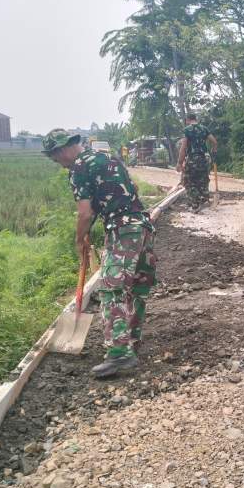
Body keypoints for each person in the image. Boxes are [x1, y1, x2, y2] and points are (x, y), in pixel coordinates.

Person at [42, 129, 156, 378]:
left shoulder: (78, 168)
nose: (57, 162)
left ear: (61, 149)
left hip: (123, 231)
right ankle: (131, 342)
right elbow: (130, 188)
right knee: (136, 288)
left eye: (54, 157)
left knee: (112, 289)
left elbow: (85, 212)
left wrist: (79, 239)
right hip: (143, 227)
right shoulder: (108, 157)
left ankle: (119, 353)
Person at [176, 113, 217, 211]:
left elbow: (183, 147)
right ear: (196, 119)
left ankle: (195, 204)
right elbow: (214, 142)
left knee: (188, 181)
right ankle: (204, 198)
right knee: (203, 179)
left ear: (187, 120)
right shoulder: (204, 129)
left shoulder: (187, 130)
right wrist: (214, 150)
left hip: (193, 159)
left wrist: (179, 162)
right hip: (205, 158)